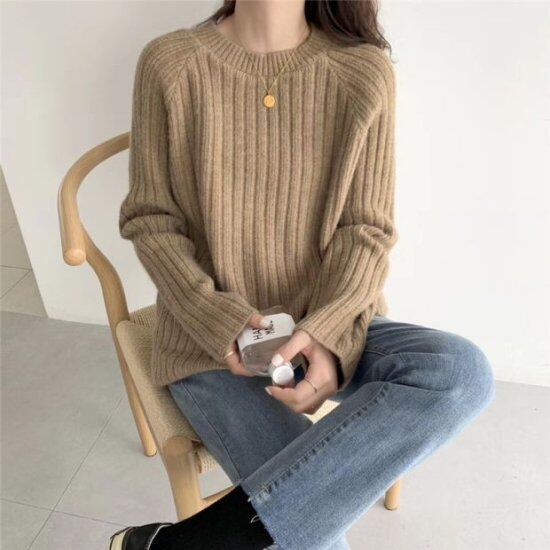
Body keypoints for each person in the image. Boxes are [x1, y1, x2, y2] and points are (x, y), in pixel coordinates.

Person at [110, 1, 495, 548]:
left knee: (461, 373)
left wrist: (329, 335)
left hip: (329, 320)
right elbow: (150, 220)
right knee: (313, 536)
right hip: (210, 346)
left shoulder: (363, 71)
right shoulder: (170, 63)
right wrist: (217, 318)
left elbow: (366, 229)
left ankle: (185, 543)